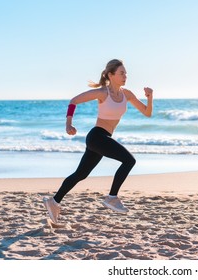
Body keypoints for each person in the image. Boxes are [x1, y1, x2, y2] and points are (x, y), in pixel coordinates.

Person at [43, 59, 153, 223]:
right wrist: (68, 124)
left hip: (103, 138)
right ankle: (112, 197)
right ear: (111, 74)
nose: (125, 76)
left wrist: (150, 97)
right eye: (121, 73)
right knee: (129, 160)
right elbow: (73, 101)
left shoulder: (126, 94)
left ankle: (54, 201)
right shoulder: (103, 93)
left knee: (81, 174)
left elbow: (147, 112)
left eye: (126, 73)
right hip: (97, 136)